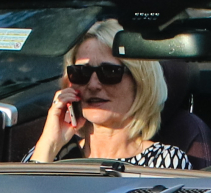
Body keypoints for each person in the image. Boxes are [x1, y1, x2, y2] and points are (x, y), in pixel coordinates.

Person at [31, 22, 193, 169]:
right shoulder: (51, 153)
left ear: (139, 83)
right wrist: (50, 143)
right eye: (81, 72)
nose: (93, 85)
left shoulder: (163, 162)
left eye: (109, 72)